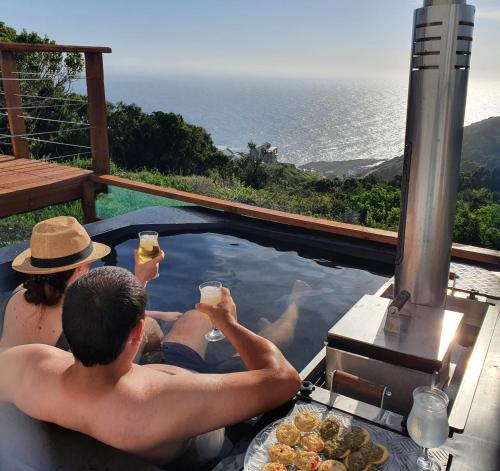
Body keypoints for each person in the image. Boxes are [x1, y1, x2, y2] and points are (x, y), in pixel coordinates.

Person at [0, 266, 301, 466]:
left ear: (67, 324)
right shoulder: (172, 402)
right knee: (257, 346)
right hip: (197, 410)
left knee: (194, 318)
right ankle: (294, 306)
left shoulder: (29, 363)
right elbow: (284, 379)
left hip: (158, 379)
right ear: (137, 332)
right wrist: (229, 323)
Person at [0, 216, 167, 357]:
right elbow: (114, 341)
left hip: (12, 380)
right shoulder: (77, 309)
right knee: (151, 327)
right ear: (80, 269)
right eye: (89, 265)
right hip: (62, 384)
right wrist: (142, 278)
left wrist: (163, 315)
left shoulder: (20, 292)